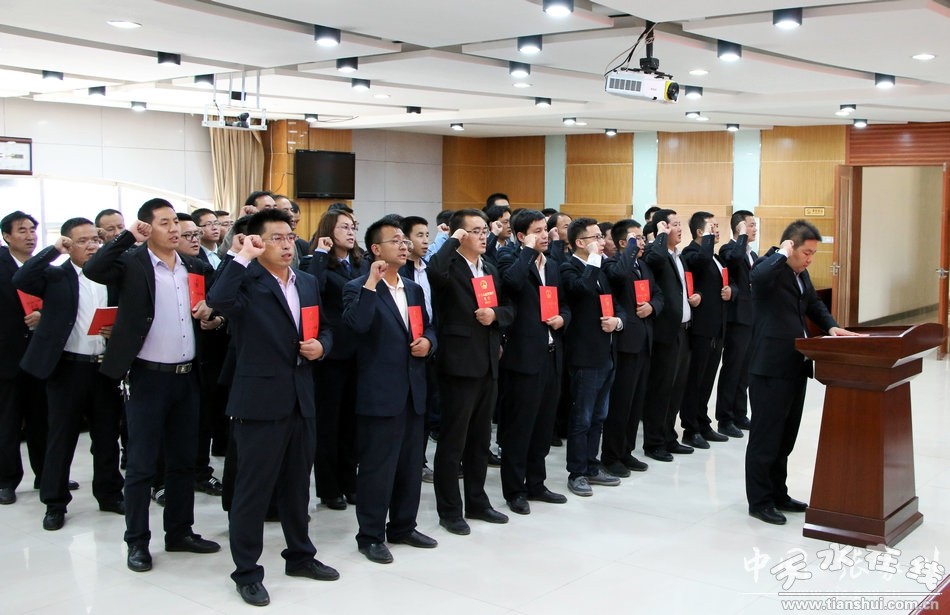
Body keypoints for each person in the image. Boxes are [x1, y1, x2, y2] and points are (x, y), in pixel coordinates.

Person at [208, 208, 339, 606]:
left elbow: (325, 327)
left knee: (298, 485)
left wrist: (321, 347)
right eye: (276, 238)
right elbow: (217, 300)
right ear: (257, 242)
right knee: (253, 490)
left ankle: (300, 555)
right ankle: (247, 571)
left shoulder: (307, 281)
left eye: (289, 237)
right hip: (260, 401)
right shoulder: (246, 280)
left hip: (301, 397)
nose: (286, 245)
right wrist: (240, 256)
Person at [83, 198, 220, 573]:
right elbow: (94, 268)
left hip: (187, 376)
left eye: (176, 221)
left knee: (183, 461)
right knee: (142, 465)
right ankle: (137, 541)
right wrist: (128, 236)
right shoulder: (132, 263)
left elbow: (213, 302)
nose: (174, 229)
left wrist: (214, 318)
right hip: (148, 377)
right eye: (164, 223)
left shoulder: (192, 266)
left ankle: (180, 531)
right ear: (147, 227)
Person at [745, 220, 859, 526]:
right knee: (766, 437)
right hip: (769, 367)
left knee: (785, 437)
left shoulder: (799, 274)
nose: (809, 259)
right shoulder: (769, 267)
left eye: (813, 254)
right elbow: (756, 277)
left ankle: (778, 493)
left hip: (796, 364)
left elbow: (813, 304)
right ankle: (759, 501)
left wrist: (831, 326)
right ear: (790, 246)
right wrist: (781, 254)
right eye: (806, 253)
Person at [14, 218, 124, 530]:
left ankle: (109, 494)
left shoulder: (110, 276)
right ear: (68, 244)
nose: (91, 246)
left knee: (106, 436)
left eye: (95, 240)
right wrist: (53, 250)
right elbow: (21, 278)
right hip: (67, 368)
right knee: (61, 438)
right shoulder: (55, 275)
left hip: (104, 367)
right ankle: (55, 502)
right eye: (82, 241)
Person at [342, 218, 438, 564]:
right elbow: (358, 325)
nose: (403, 245)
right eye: (395, 240)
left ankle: (403, 526)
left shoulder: (412, 288)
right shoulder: (356, 287)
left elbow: (428, 326)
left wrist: (429, 342)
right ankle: (370, 535)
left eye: (404, 241)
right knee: (376, 469)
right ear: (375, 249)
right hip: (379, 393)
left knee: (410, 466)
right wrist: (371, 283)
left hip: (413, 390)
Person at [427, 208, 514, 535]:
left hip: (488, 361)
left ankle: (477, 502)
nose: (482, 236)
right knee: (454, 441)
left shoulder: (488, 267)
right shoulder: (449, 266)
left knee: (480, 439)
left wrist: (496, 315)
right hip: (459, 364)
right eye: (474, 231)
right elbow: (434, 271)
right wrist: (452, 240)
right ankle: (450, 510)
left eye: (483, 231)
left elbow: (509, 308)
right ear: (460, 235)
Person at [496, 209, 570, 513]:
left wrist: (563, 318)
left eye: (545, 230)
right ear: (520, 236)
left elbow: (564, 304)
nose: (545, 235)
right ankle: (514, 490)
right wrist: (527, 252)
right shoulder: (509, 260)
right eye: (537, 231)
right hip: (523, 359)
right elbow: (511, 284)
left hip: (551, 355)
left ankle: (536, 483)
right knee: (519, 429)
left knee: (542, 427)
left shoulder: (551, 265)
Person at [559, 217, 624, 496]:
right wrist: (595, 261)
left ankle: (591, 465)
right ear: (579, 242)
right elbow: (581, 290)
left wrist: (618, 321)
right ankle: (577, 472)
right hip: (584, 355)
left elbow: (615, 304)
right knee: (582, 418)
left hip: (606, 352)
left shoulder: (600, 270)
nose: (601, 241)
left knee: (599, 416)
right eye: (595, 237)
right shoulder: (568, 267)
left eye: (601, 236)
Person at [308, 208, 367, 510]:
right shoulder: (318, 263)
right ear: (329, 231)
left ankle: (350, 482)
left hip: (360, 352)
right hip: (331, 354)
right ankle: (329, 488)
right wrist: (320, 254)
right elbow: (311, 289)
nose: (351, 232)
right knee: (329, 423)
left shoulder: (361, 263)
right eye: (344, 227)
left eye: (353, 226)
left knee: (352, 423)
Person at [600, 220, 662, 476]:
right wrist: (629, 251)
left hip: (645, 341)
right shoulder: (613, 264)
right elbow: (618, 275)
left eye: (642, 238)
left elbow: (658, 294)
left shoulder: (643, 266)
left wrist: (652, 307)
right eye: (636, 238)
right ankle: (611, 455)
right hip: (625, 344)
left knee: (636, 403)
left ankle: (626, 451)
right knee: (621, 403)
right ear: (623, 243)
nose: (642, 242)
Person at [641, 209, 701, 462]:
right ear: (662, 228)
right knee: (661, 389)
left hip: (684, 331)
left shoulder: (679, 256)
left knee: (676, 389)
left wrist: (695, 297)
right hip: (665, 333)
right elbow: (654, 258)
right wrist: (660, 236)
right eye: (674, 224)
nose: (679, 228)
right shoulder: (656, 253)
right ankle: (654, 442)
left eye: (679, 224)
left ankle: (669, 437)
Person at [0, 211, 49, 506]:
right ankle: (6, 480)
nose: (30, 236)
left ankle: (47, 475)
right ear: (7, 236)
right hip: (6, 358)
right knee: (7, 422)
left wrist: (43, 314)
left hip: (39, 357)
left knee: (42, 420)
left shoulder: (43, 266)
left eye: (32, 230)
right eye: (22, 230)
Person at [679, 212, 734, 449]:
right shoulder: (691, 253)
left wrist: (732, 291)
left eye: (718, 226)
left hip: (717, 326)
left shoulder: (716, 258)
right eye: (713, 227)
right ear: (700, 232)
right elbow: (700, 264)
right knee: (695, 380)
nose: (717, 230)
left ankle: (703, 422)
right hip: (701, 328)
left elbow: (728, 283)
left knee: (708, 379)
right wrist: (708, 241)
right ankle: (690, 428)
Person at [716, 210, 757, 436]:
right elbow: (734, 260)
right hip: (737, 319)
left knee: (745, 370)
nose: (754, 229)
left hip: (751, 318)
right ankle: (725, 418)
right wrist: (741, 236)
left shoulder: (752, 253)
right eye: (750, 225)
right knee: (732, 368)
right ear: (739, 227)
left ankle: (740, 413)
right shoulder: (728, 249)